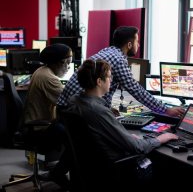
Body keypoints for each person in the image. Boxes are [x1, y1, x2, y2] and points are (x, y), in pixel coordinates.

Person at [64, 59, 179, 187]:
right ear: (99, 81)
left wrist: (127, 138)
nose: (111, 80)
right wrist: (161, 139)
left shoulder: (75, 101)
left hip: (91, 166)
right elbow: (137, 147)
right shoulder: (98, 110)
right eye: (109, 76)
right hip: (113, 167)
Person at [57, 26, 184, 117]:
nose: (138, 45)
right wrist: (166, 110)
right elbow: (136, 90)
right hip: (80, 112)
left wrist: (107, 109)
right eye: (137, 41)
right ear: (129, 45)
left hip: (68, 110)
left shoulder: (107, 52)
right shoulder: (118, 60)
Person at [22, 43, 72, 189]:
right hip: (39, 130)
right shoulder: (49, 78)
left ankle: (58, 171)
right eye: (68, 63)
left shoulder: (42, 71)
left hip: (36, 126)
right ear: (59, 62)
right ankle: (59, 173)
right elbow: (71, 100)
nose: (69, 67)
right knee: (77, 139)